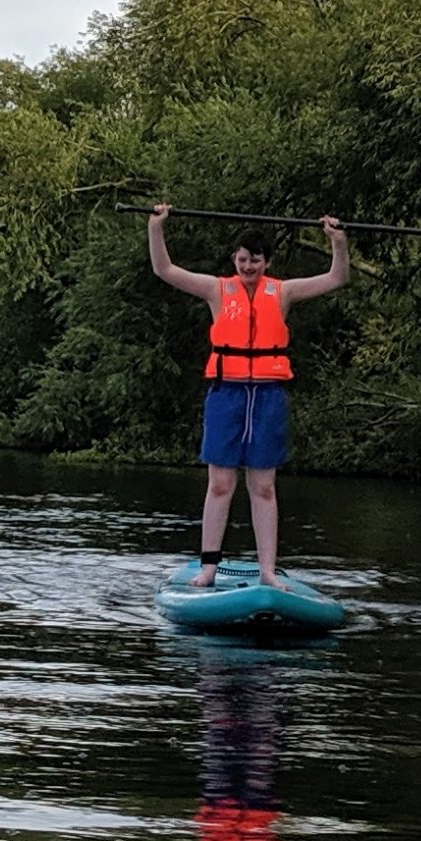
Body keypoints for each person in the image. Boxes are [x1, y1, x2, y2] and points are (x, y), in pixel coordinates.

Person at [146, 204, 350, 588]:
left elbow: (337, 278)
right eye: (242, 260)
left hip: (267, 396)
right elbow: (165, 270)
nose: (248, 267)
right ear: (234, 260)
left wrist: (337, 241)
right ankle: (209, 567)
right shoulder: (217, 290)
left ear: (266, 262)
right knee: (221, 482)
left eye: (255, 261)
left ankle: (268, 572)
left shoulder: (283, 292)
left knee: (264, 486)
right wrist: (157, 228)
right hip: (227, 394)